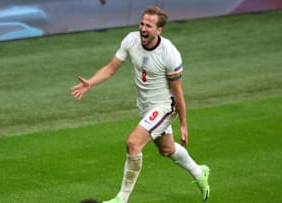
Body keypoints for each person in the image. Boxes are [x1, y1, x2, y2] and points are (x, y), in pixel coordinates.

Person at [71, 6, 210, 203]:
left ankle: (122, 199)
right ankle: (199, 172)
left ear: (159, 30)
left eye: (149, 26)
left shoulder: (169, 53)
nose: (143, 28)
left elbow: (177, 91)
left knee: (133, 143)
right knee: (167, 150)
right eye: (142, 23)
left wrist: (184, 124)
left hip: (164, 106)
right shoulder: (131, 40)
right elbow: (111, 68)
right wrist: (90, 83)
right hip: (145, 106)